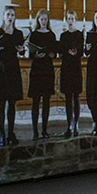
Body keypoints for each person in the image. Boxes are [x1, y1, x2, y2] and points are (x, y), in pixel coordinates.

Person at [0, 6, 25, 146]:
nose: (10, 17)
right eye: (8, 14)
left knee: (12, 103)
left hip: (13, 69)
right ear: (4, 17)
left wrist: (21, 50)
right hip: (2, 69)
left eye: (12, 15)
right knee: (1, 103)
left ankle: (11, 133)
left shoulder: (18, 33)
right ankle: (2, 135)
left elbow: (21, 52)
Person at [27, 9, 57, 140]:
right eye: (41, 19)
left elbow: (55, 53)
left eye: (45, 19)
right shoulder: (33, 34)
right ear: (38, 20)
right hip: (36, 70)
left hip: (47, 70)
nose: (43, 21)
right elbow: (30, 53)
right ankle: (35, 131)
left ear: (48, 20)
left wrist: (51, 54)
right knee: (35, 101)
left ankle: (44, 130)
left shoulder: (51, 35)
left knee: (46, 101)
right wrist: (35, 54)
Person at [59, 10, 84, 137]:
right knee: (68, 97)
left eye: (72, 18)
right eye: (68, 18)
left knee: (76, 96)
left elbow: (82, 51)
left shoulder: (80, 34)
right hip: (66, 68)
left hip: (76, 67)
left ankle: (76, 124)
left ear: (75, 20)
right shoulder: (63, 36)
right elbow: (60, 51)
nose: (70, 21)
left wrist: (76, 52)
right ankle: (69, 125)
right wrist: (66, 52)